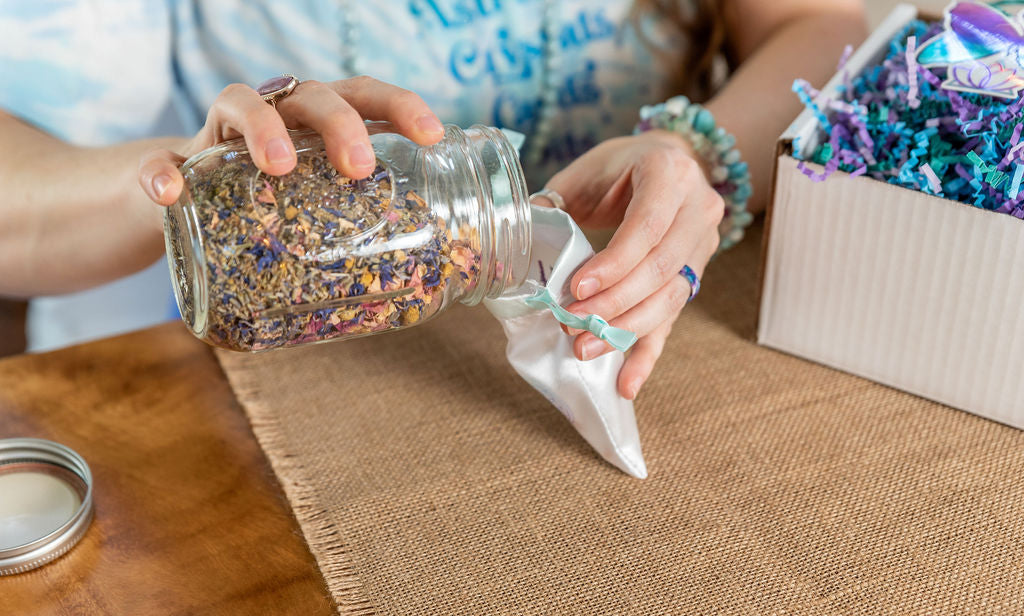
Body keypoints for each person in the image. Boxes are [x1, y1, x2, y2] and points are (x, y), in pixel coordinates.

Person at [0, 0, 866, 397]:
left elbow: (820, 26)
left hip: (601, 329)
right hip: (191, 391)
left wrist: (695, 151)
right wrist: (183, 184)